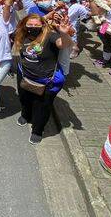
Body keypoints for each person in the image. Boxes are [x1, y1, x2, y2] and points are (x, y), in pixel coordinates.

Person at [13, 13, 72, 144]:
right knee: (24, 98)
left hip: (45, 80)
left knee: (42, 106)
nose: (33, 27)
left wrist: (64, 33)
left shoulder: (50, 36)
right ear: (25, 25)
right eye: (30, 24)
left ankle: (37, 130)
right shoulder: (21, 35)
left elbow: (63, 44)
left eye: (36, 25)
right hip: (24, 74)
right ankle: (25, 115)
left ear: (43, 26)